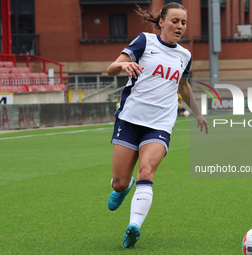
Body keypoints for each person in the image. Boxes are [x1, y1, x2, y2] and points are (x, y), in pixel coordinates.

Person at [106, 2, 208, 249]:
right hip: (129, 120)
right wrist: (123, 65)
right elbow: (110, 69)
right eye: (175, 21)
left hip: (160, 124)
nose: (180, 27)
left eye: (183, 23)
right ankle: (125, 186)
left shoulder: (185, 55)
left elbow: (183, 87)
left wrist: (198, 113)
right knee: (119, 182)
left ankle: (134, 226)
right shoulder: (145, 41)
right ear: (161, 22)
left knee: (146, 171)